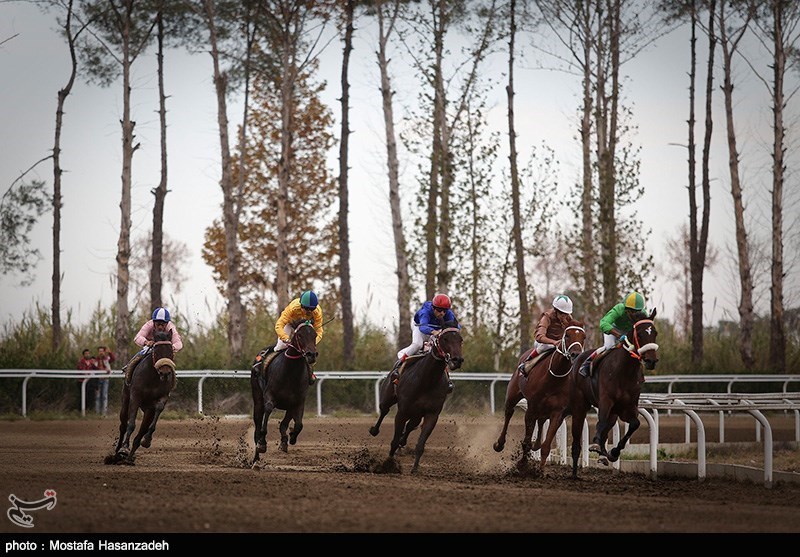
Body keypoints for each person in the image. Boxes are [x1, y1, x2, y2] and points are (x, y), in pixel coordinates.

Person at [391, 293, 460, 393]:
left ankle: (447, 379)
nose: (442, 313)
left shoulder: (448, 313)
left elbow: (457, 327)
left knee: (441, 350)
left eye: (444, 311)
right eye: (439, 310)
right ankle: (400, 361)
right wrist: (435, 332)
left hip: (436, 329)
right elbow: (423, 327)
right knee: (418, 344)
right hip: (419, 327)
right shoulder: (425, 312)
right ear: (433, 308)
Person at [254, 290, 323, 386]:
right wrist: (286, 338)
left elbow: (319, 331)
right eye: (306, 309)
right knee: (281, 346)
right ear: (301, 305)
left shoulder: (317, 312)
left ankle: (310, 372)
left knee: (309, 351)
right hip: (290, 325)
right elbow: (279, 325)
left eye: (311, 309)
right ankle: (263, 357)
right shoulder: (293, 307)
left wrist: (311, 343)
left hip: (305, 329)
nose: (309, 312)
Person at [579, 291, 645, 377]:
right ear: (625, 308)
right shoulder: (619, 309)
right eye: (631, 311)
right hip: (614, 330)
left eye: (636, 312)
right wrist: (618, 335)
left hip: (629, 332)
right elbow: (603, 323)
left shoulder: (644, 314)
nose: (633, 314)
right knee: (609, 346)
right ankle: (587, 363)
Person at [122, 307, 183, 385]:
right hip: (150, 347)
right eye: (158, 324)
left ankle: (172, 383)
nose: (160, 327)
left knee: (169, 361)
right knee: (140, 355)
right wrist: (146, 342)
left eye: (163, 324)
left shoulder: (171, 327)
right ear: (153, 322)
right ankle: (129, 369)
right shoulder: (148, 324)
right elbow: (137, 337)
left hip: (164, 349)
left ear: (167, 323)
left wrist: (173, 347)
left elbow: (179, 343)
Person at [518, 294, 574, 377]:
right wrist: (554, 342)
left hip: (560, 343)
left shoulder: (569, 318)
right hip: (544, 343)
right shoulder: (547, 317)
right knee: (545, 347)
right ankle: (527, 363)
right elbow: (539, 336)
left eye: (566, 314)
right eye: (562, 313)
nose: (564, 316)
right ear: (556, 310)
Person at [94, 345, 115, 416]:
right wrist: (104, 370)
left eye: (102, 351)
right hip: (97, 380)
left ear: (104, 352)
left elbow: (113, 359)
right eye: (100, 351)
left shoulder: (107, 358)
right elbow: (94, 368)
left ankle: (104, 413)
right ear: (98, 352)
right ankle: (97, 413)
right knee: (97, 396)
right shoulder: (95, 360)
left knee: (104, 396)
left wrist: (110, 352)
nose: (101, 353)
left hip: (105, 379)